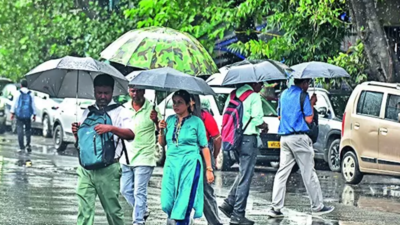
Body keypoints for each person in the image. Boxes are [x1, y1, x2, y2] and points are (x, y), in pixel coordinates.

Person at [71, 74, 135, 225]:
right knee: (84, 210)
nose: (102, 96)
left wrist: (111, 128)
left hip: (108, 168)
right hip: (85, 169)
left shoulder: (120, 111)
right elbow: (83, 142)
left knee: (113, 211)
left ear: (112, 92)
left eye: (106, 93)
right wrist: (76, 134)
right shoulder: (88, 111)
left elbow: (131, 134)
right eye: (99, 92)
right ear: (94, 91)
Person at [267, 78, 334, 218]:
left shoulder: (283, 94)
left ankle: (275, 207)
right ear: (304, 83)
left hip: (284, 138)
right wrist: (311, 104)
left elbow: (279, 116)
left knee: (282, 173)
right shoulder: (303, 96)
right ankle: (318, 206)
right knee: (308, 172)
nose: (308, 87)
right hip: (299, 138)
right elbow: (309, 119)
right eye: (308, 84)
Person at [158, 90, 214, 225]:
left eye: (180, 103)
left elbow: (204, 146)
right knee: (167, 200)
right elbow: (162, 143)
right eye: (174, 102)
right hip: (171, 163)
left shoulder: (197, 122)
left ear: (189, 104)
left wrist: (209, 169)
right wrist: (160, 129)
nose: (176, 106)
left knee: (185, 199)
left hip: (190, 164)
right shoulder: (169, 120)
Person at [219, 83, 268, 225]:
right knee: (246, 176)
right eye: (261, 82)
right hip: (248, 139)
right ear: (253, 82)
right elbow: (258, 120)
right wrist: (265, 126)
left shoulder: (233, 94)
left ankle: (229, 203)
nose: (262, 85)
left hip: (235, 138)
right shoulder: (254, 96)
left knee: (242, 172)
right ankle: (238, 214)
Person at [120, 86, 161, 225]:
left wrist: (156, 121)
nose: (135, 94)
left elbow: (161, 131)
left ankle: (138, 222)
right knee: (125, 190)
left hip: (145, 157)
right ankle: (142, 210)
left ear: (144, 91)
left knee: (139, 191)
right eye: (132, 90)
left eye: (138, 90)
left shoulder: (153, 109)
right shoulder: (124, 108)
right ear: (128, 91)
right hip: (126, 156)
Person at [190, 94, 223, 225]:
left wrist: (213, 156)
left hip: (203, 155)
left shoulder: (204, 116)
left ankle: (215, 221)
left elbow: (217, 138)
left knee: (205, 191)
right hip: (187, 156)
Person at [10, 79, 36, 153]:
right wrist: (34, 114)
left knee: (20, 131)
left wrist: (12, 113)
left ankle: (21, 147)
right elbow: (33, 105)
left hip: (19, 115)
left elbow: (14, 104)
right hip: (28, 115)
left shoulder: (18, 93)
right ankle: (28, 145)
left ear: (21, 85)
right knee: (28, 130)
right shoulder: (31, 93)